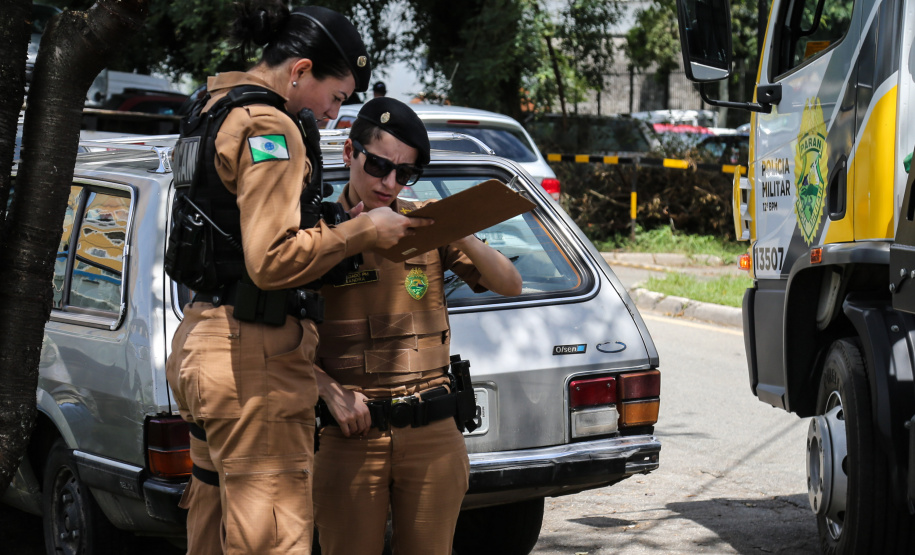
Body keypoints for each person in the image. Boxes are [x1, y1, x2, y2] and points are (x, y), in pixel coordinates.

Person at [164, 3, 431, 554]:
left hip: (206, 342)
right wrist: (363, 234)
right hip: (252, 362)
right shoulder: (270, 125)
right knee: (272, 540)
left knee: (213, 529)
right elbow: (270, 260)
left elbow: (234, 233)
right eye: (336, 97)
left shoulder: (215, 105)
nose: (335, 115)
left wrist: (333, 226)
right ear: (300, 70)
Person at [312, 97, 523, 554]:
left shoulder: (423, 225)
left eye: (404, 174)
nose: (389, 183)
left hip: (432, 432)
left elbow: (510, 284)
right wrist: (329, 390)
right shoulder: (317, 235)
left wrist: (454, 227)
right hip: (352, 436)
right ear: (350, 153)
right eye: (379, 166)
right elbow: (279, 342)